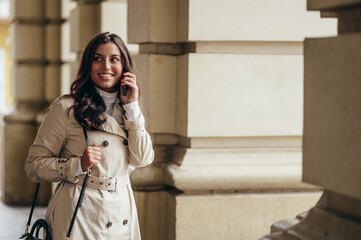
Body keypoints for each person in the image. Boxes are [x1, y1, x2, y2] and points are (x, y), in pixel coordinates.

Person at [24, 32, 154, 240]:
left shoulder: (129, 108)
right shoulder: (66, 108)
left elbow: (143, 158)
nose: (106, 67)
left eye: (114, 59)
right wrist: (77, 165)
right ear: (88, 64)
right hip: (79, 215)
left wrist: (132, 107)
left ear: (124, 66)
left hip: (122, 212)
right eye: (98, 58)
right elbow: (34, 166)